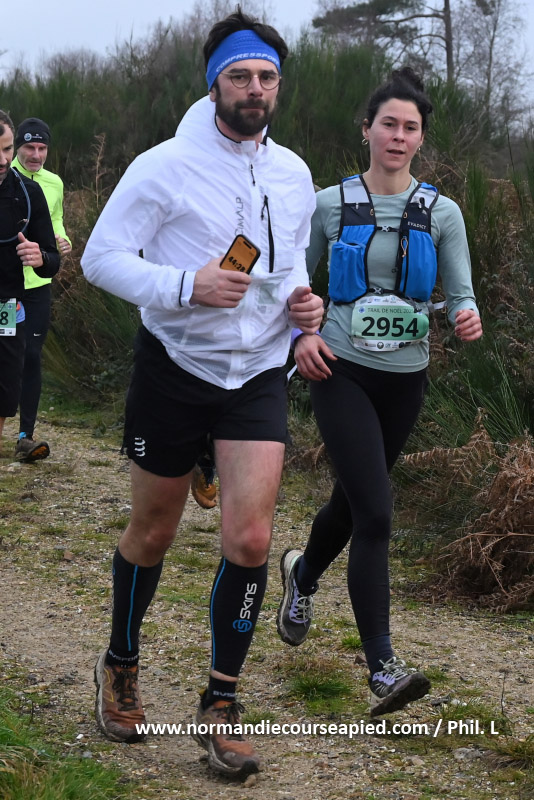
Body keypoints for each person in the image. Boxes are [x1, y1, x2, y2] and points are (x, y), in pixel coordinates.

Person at [81, 8, 323, 778]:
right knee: (153, 532)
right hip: (175, 369)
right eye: (240, 76)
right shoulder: (163, 167)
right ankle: (121, 662)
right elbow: (100, 258)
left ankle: (221, 700)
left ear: (278, 86)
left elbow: (291, 262)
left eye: (267, 77)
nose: (255, 89)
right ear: (214, 84)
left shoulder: (293, 174)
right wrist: (188, 284)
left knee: (251, 541)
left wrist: (304, 309)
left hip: (256, 375)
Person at [276, 68, 483, 717]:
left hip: (405, 381)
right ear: (366, 129)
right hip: (339, 370)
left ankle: (301, 575)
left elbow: (462, 293)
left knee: (353, 502)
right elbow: (290, 283)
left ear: (421, 138)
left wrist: (467, 316)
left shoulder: (443, 213)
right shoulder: (327, 204)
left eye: (410, 127)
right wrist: (301, 336)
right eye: (388, 124)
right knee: (377, 513)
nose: (398, 136)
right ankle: (383, 668)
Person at [11, 118, 72, 462]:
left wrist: (61, 240)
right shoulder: (6, 178)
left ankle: (26, 436)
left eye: (42, 148)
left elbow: (56, 219)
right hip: (8, 285)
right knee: (8, 356)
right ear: (16, 148)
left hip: (37, 285)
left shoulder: (54, 183)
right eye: (29, 147)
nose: (35, 155)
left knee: (32, 356)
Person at [0, 110, 60, 449]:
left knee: (10, 376)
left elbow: (52, 257)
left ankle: (25, 435)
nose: (2, 159)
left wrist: (41, 258)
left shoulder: (29, 192)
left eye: (7, 149)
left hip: (9, 302)